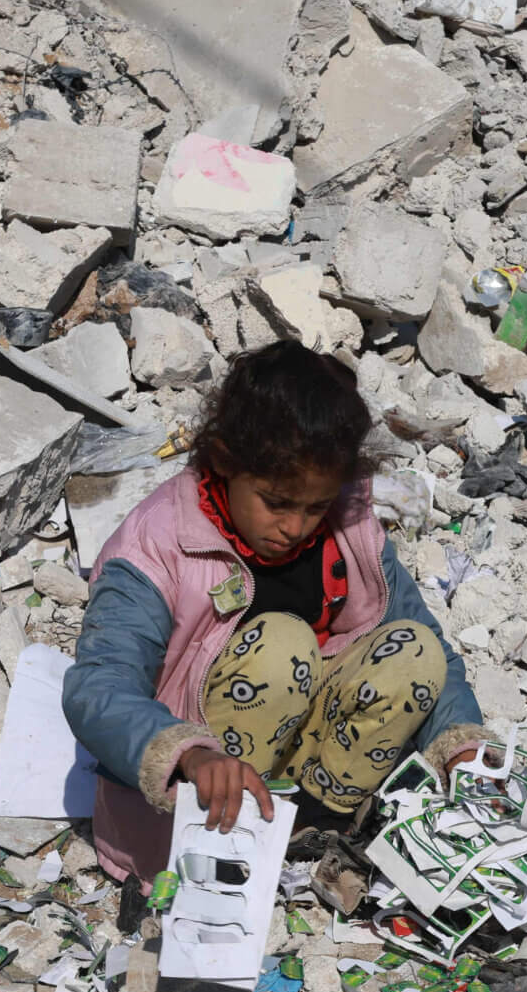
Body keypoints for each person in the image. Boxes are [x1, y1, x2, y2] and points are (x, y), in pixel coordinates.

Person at [62, 340, 488, 928]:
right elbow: (98, 685)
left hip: (304, 751)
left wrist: (462, 744)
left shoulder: (350, 523)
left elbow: (422, 639)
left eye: (314, 506)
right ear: (226, 460)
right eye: (276, 502)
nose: (294, 527)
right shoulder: (156, 545)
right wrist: (189, 753)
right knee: (279, 646)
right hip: (198, 791)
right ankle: (220, 854)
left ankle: (320, 827)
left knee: (412, 651)